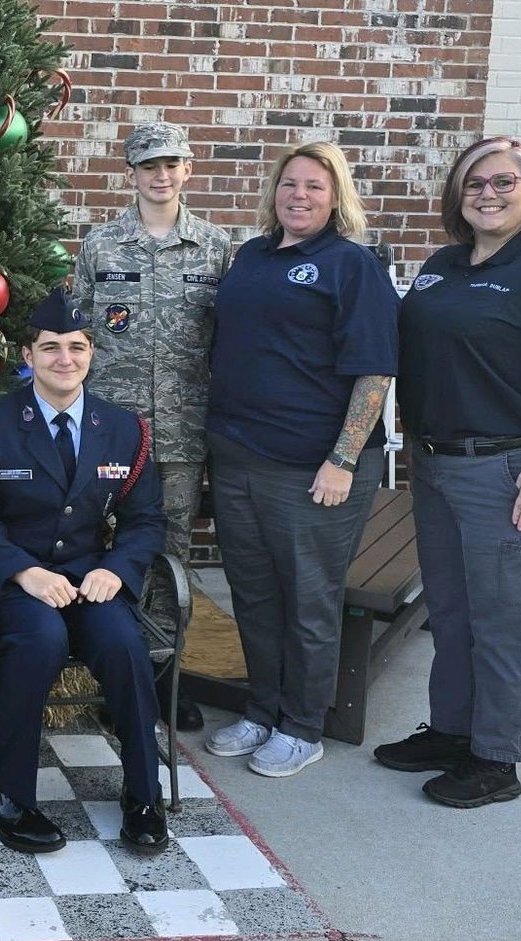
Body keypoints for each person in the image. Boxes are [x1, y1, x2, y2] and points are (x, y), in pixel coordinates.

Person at [375, 136, 521, 807]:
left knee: (500, 620)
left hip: (507, 469)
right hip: (437, 465)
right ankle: (451, 730)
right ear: (457, 195)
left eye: (504, 182)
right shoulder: (443, 265)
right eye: (475, 183)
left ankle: (497, 757)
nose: (489, 194)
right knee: (451, 611)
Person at [203, 141, 399, 778]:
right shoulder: (252, 256)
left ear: (336, 196)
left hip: (313, 465)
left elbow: (373, 373)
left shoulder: (350, 265)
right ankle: (262, 709)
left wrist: (341, 459)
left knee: (309, 599)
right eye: (290, 184)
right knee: (254, 594)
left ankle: (303, 724)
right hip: (237, 458)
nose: (300, 195)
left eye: (316, 186)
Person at [0, 287, 170, 855]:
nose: (64, 359)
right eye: (49, 348)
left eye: (76, 347)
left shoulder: (123, 428)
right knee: (40, 638)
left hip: (90, 577)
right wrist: (24, 574)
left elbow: (145, 521)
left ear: (91, 353)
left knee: (124, 642)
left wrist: (118, 570)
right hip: (12, 584)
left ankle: (143, 794)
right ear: (27, 356)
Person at [72, 121, 232, 732]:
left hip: (182, 438)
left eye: (171, 165)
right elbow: (77, 335)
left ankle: (163, 680)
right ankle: (112, 674)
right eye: (148, 166)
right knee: (106, 549)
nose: (160, 176)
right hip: (112, 434)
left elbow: (226, 345)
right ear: (132, 174)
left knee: (170, 558)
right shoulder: (102, 246)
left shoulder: (215, 249)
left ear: (187, 170)